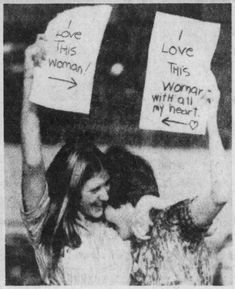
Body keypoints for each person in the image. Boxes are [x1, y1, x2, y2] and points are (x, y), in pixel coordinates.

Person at [21, 35, 132, 285]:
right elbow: (32, 163)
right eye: (94, 189)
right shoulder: (50, 233)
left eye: (106, 185)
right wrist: (30, 78)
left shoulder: (116, 226)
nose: (105, 196)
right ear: (72, 190)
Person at [104, 86, 229, 285]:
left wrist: (211, 121)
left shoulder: (172, 220)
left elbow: (221, 194)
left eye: (106, 202)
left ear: (124, 201)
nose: (103, 219)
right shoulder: (137, 247)